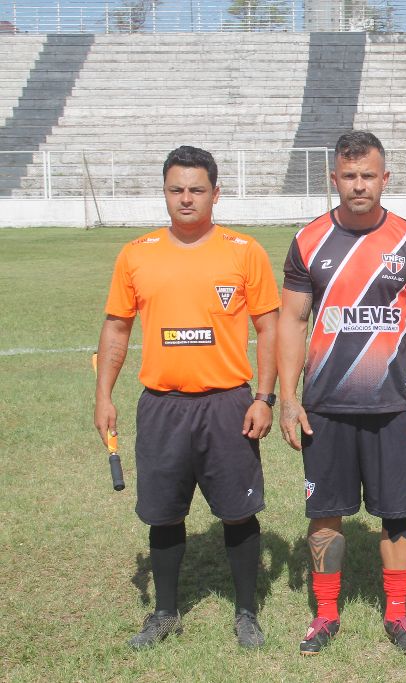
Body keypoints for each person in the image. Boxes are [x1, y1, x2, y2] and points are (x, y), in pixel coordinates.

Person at [94, 146, 280, 649]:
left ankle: (246, 612)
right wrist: (103, 395)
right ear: (165, 192)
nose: (186, 199)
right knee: (163, 513)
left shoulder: (244, 251)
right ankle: (165, 613)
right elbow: (116, 327)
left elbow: (269, 327)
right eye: (176, 189)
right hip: (162, 405)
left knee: (238, 512)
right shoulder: (137, 254)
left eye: (197, 189)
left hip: (228, 405)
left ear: (216, 194)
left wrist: (264, 398)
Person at [277, 131, 406, 655]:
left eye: (368, 175)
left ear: (384, 178)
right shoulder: (308, 241)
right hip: (325, 406)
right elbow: (291, 320)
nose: (358, 185)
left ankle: (397, 613)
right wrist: (288, 397)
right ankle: (326, 613)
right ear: (334, 178)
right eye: (348, 176)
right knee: (325, 512)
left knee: (398, 512)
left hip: (393, 405)